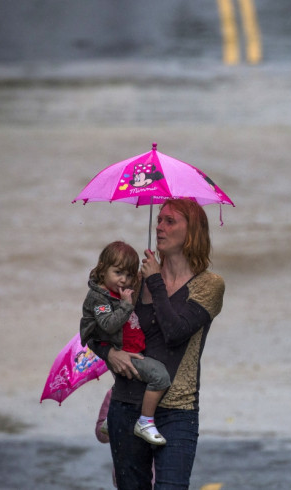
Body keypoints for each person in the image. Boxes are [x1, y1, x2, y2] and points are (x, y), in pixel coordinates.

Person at [88, 199, 225, 490]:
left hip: (178, 410)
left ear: (193, 232)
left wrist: (155, 281)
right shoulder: (134, 282)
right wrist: (110, 353)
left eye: (170, 221)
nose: (159, 227)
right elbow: (92, 328)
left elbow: (175, 332)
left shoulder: (209, 285)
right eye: (159, 219)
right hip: (126, 406)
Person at [80, 240, 171, 445]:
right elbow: (107, 325)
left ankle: (110, 421)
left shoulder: (117, 292)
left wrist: (150, 265)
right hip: (125, 354)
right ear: (103, 269)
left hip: (133, 349)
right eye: (118, 272)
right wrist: (126, 306)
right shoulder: (100, 299)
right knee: (160, 376)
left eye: (129, 275)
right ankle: (146, 422)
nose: (124, 280)